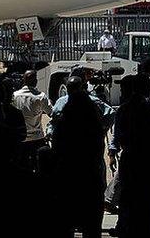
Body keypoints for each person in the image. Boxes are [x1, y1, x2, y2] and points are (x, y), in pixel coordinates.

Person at [47, 86, 106, 238]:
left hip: (67, 179)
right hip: (91, 178)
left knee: (65, 226)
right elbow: (98, 152)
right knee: (92, 228)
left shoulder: (62, 127)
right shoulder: (95, 128)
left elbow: (56, 151)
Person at [111, 74, 150, 238]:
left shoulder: (124, 109)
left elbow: (118, 134)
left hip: (130, 158)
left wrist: (115, 150)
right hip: (148, 159)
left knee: (128, 196)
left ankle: (125, 226)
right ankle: (147, 227)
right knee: (148, 197)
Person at [12, 70, 51, 170]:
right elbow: (51, 113)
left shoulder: (15, 96)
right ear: (35, 81)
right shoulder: (40, 96)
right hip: (37, 137)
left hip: (20, 138)